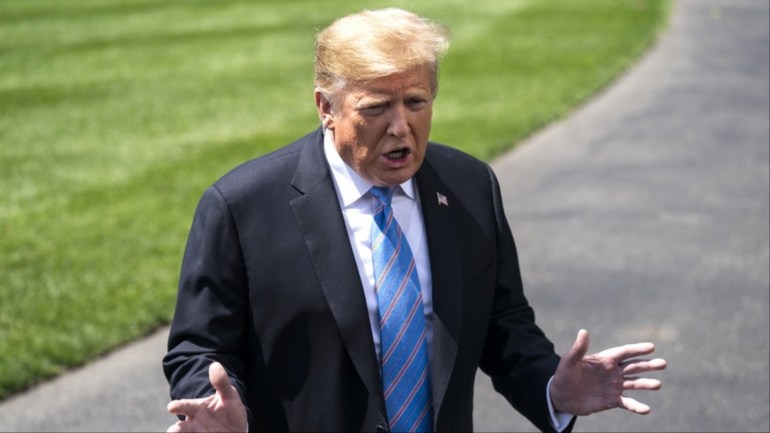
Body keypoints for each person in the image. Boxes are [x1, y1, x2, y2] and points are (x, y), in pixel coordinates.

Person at [163, 8, 666, 433]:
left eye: (416, 102)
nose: (401, 126)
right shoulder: (241, 207)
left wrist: (552, 387)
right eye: (377, 107)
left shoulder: (470, 187)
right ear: (326, 108)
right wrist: (214, 410)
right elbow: (200, 348)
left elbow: (503, 324)